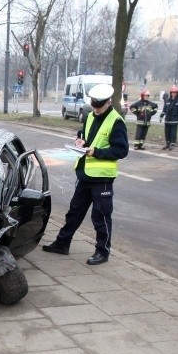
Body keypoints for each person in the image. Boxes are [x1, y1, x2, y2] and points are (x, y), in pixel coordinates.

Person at [41, 83, 129, 265]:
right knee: (74, 212)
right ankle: (62, 243)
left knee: (101, 216)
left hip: (102, 178)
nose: (96, 109)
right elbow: (84, 134)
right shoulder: (89, 116)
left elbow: (121, 150)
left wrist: (95, 151)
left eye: (99, 106)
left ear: (108, 102)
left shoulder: (116, 121)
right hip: (85, 174)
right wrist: (80, 141)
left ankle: (102, 252)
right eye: (94, 105)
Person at [159, 85, 178, 150]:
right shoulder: (168, 100)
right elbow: (164, 110)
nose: (173, 94)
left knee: (173, 133)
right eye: (172, 93)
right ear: (170, 93)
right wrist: (161, 116)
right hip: (167, 120)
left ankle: (172, 144)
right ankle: (168, 144)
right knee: (167, 132)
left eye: (175, 93)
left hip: (174, 120)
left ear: (177, 93)